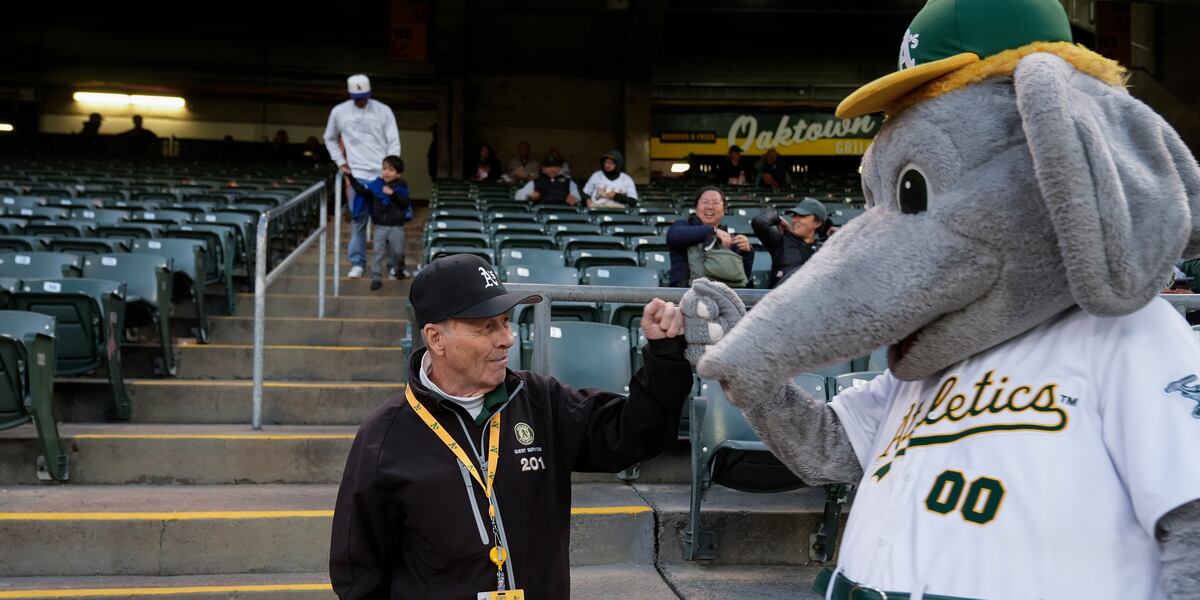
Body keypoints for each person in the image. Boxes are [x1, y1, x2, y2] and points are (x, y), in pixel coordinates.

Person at [329, 254, 693, 599]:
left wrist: (664, 357)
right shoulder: (384, 436)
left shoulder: (540, 399)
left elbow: (634, 434)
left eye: (505, 321)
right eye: (486, 326)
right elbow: (359, 572)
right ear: (436, 339)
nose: (507, 338)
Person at [324, 74, 401, 279]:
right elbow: (329, 138)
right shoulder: (339, 112)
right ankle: (357, 263)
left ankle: (393, 265)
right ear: (350, 94)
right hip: (357, 175)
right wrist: (341, 162)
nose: (361, 100)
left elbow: (394, 140)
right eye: (357, 97)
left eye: (364, 96)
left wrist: (390, 170)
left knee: (387, 222)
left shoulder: (383, 111)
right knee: (358, 221)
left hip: (380, 175)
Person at [665, 186, 753, 287]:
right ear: (696, 208)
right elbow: (674, 236)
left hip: (723, 296)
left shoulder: (730, 239)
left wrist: (747, 252)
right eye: (705, 202)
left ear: (724, 210)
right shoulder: (683, 226)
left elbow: (742, 277)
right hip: (686, 294)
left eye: (715, 203)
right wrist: (712, 231)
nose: (710, 207)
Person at [346, 156, 412, 291]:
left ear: (398, 173)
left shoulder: (401, 185)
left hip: (396, 226)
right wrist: (350, 176)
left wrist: (392, 194)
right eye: (384, 169)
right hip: (380, 226)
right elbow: (361, 191)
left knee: (398, 252)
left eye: (391, 170)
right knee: (378, 253)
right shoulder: (376, 185)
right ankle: (376, 277)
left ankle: (398, 270)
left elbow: (405, 203)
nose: (387, 172)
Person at [751, 198, 827, 288]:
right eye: (794, 216)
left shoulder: (824, 249)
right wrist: (778, 220)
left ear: (817, 223)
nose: (795, 220)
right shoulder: (781, 241)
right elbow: (759, 222)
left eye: (802, 216)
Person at [513, 154, 579, 206]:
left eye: (555, 167)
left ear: (559, 168)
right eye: (549, 167)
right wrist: (530, 195)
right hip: (541, 212)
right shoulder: (535, 182)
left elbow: (577, 197)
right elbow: (518, 196)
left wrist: (574, 198)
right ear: (543, 169)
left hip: (563, 212)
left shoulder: (568, 182)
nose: (552, 169)